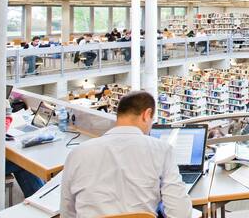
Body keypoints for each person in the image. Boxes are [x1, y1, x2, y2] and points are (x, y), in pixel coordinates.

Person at [60, 91, 192, 217]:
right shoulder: (162, 150)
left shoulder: (77, 153)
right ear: (147, 114)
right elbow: (180, 213)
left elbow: (67, 211)